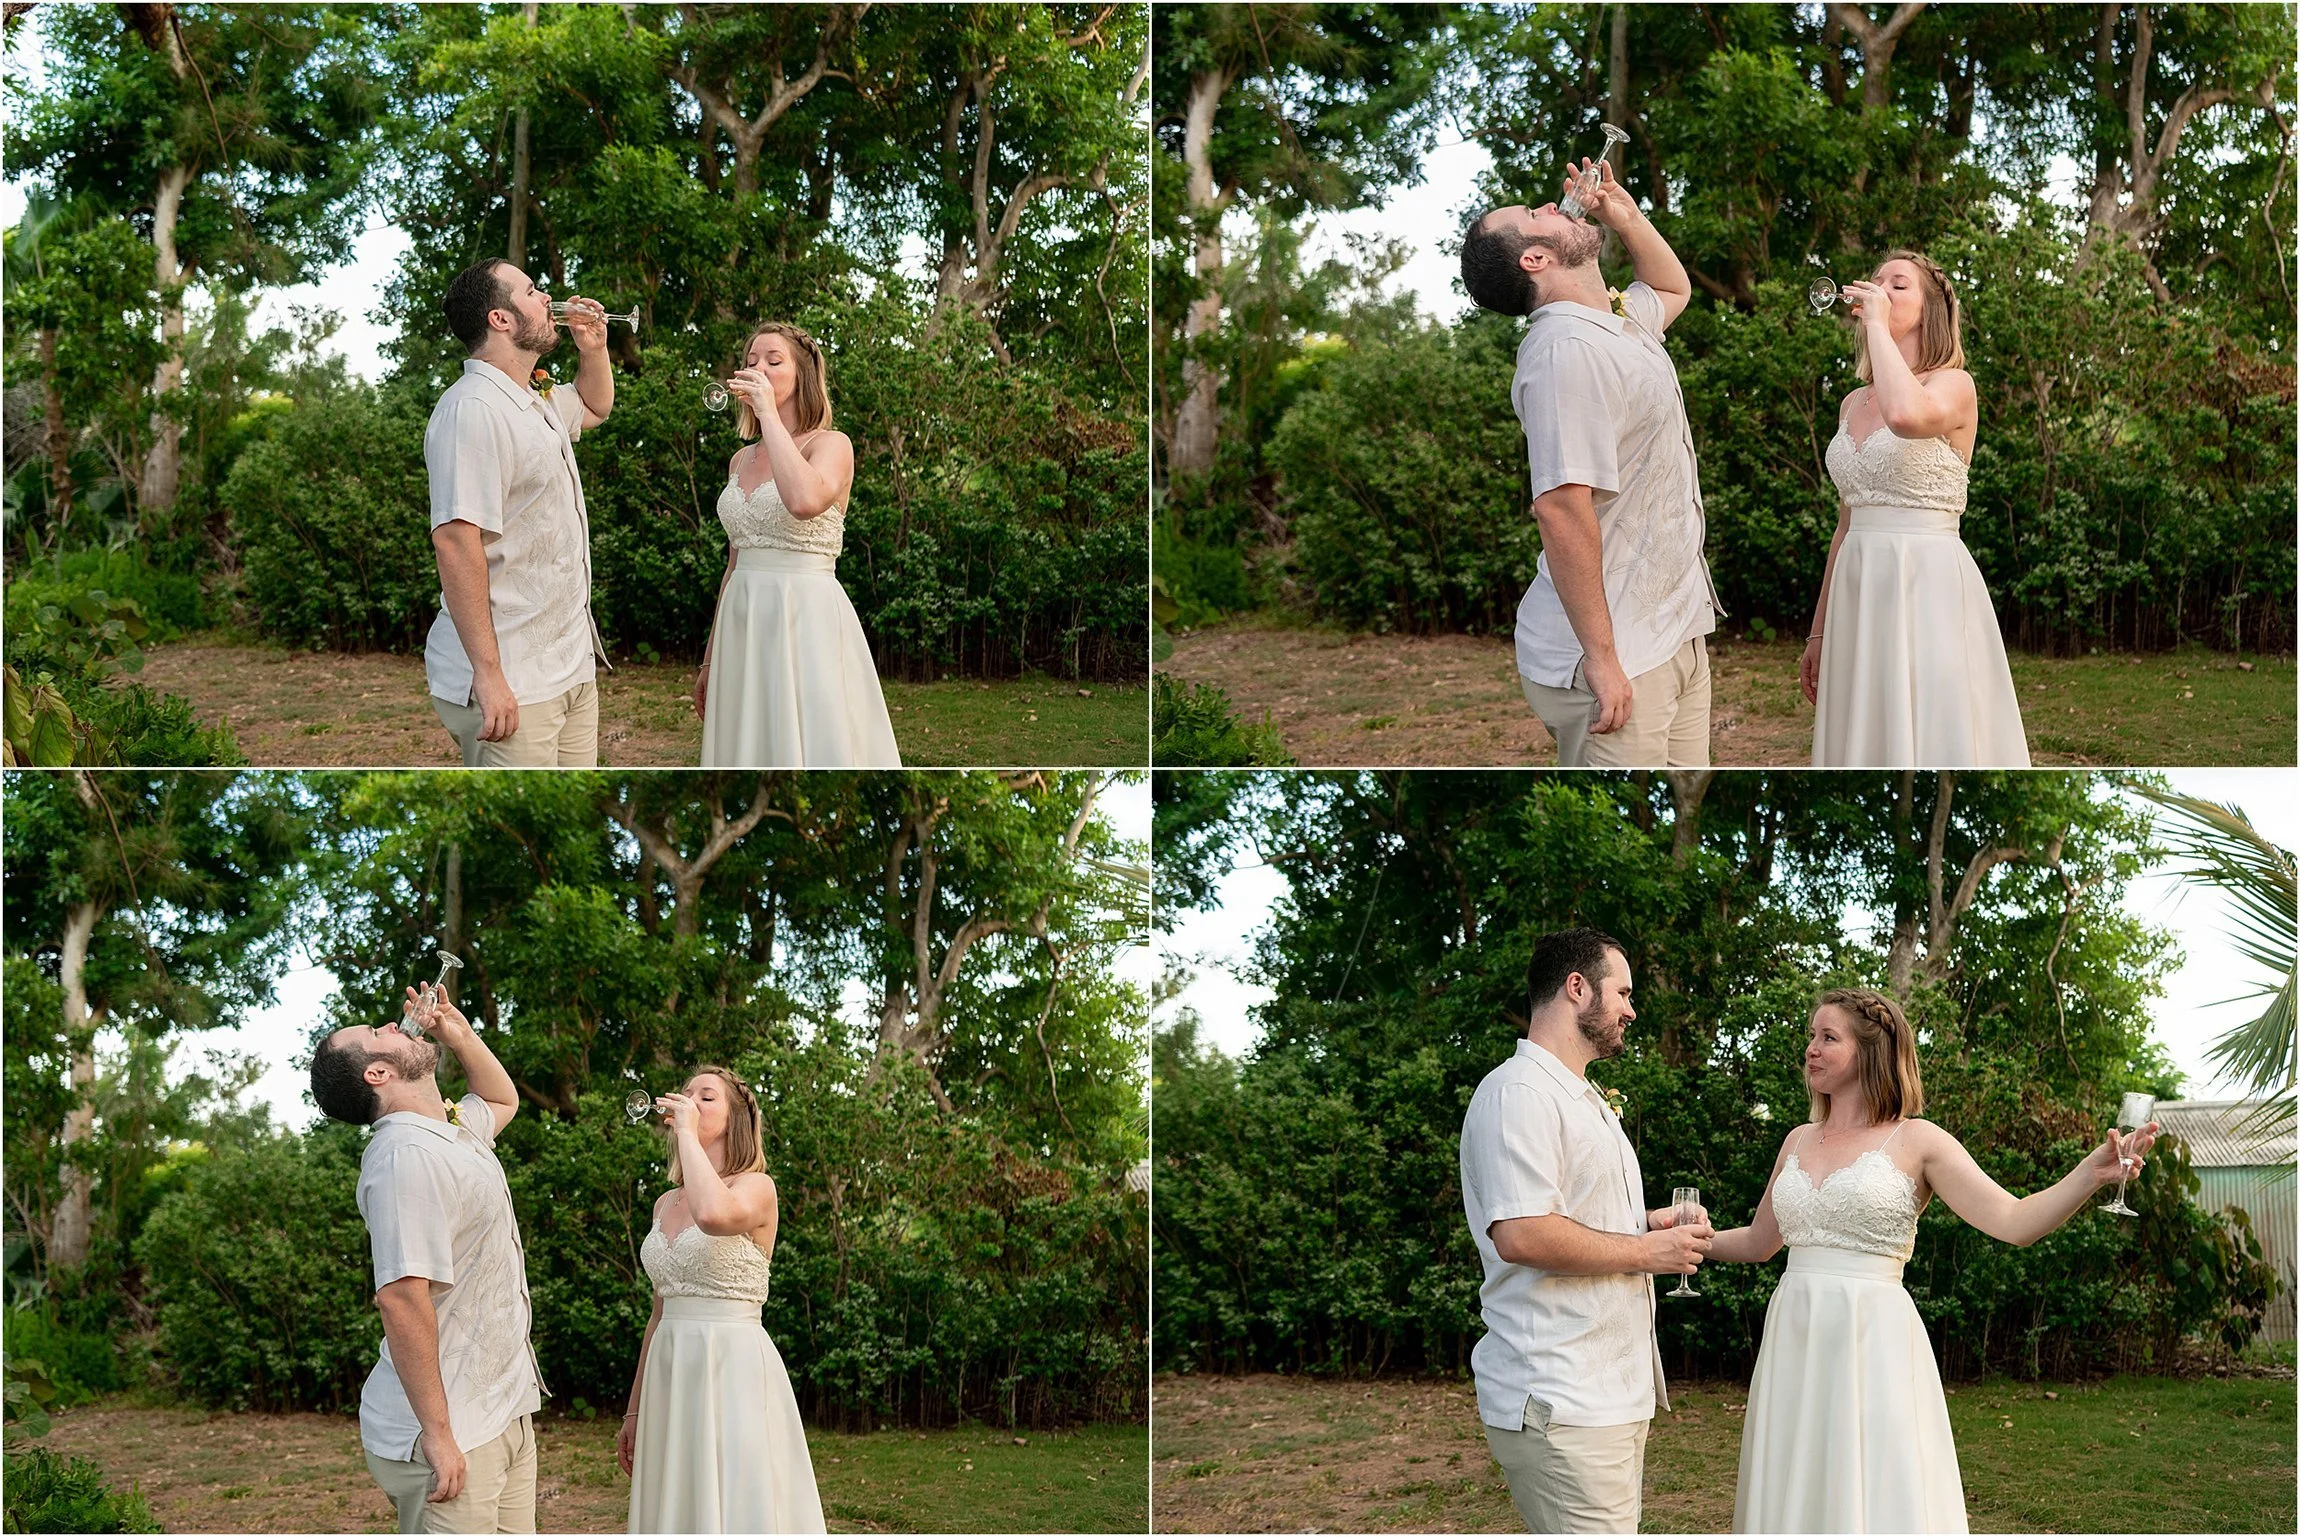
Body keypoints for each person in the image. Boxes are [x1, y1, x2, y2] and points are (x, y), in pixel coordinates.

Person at [1705, 988, 2159, 1533]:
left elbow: (2014, 1222)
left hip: (1872, 1342)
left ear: (1870, 1052)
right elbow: (1759, 1242)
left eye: (1828, 1037)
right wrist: (1681, 1242)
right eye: (1811, 1036)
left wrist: (2091, 1173)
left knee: (1876, 1494)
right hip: (1794, 1338)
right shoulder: (1798, 1140)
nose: (1812, 1049)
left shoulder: (1918, 1140)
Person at [1460, 159, 1721, 768]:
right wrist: (1602, 661)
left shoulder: (1613, 321)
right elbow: (1560, 508)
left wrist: (1628, 219)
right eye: (1534, 215)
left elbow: (1672, 291)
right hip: (1619, 653)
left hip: (1674, 631)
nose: (1552, 205)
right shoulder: (1565, 352)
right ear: (1534, 259)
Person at [1458, 927, 1713, 1533]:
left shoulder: (1581, 1097)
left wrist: (1647, 1223)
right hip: (1558, 1393)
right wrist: (1648, 1250)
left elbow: (1570, 1214)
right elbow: (1521, 1233)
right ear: (1577, 988)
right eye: (1622, 992)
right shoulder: (1519, 1094)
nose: (1631, 1008)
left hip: (1606, 1396)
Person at [309, 983, 547, 1534]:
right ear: (377, 1074)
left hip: (502, 1407)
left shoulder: (448, 1130)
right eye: (376, 1034)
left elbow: (501, 1102)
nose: (393, 1025)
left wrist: (461, 1037)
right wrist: (438, 1436)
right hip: (453, 1427)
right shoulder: (404, 1158)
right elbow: (401, 1298)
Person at [1801, 252, 2030, 766]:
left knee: (1929, 726)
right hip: (1858, 587)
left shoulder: (1954, 385)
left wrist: (1877, 324)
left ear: (1928, 311)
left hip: (1926, 584)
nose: (1879, 289)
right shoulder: (1852, 403)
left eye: (1897, 285)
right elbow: (1844, 524)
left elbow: (1905, 415)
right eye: (1876, 281)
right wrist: (1819, 630)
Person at [618, 1067, 826, 1534]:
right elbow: (658, 1312)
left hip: (732, 1369)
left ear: (733, 1121)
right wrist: (635, 1409)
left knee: (736, 1504)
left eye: (705, 1097)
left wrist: (687, 1132)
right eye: (686, 1093)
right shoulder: (664, 1204)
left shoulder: (756, 1187)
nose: (689, 1100)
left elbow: (712, 1214)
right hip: (670, 1372)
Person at [425, 259, 616, 767]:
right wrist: (488, 676)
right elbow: (455, 540)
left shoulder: (536, 396)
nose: (547, 299)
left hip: (570, 664)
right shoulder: (473, 409)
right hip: (514, 675)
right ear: (501, 319)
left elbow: (594, 408)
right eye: (532, 291)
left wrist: (592, 351)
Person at [696, 322, 899, 767]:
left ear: (802, 376)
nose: (758, 369)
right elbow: (733, 563)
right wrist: (710, 661)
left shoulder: (832, 445)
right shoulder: (739, 459)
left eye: (773, 361)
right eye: (751, 362)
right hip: (741, 618)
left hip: (804, 616)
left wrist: (768, 415)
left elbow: (804, 500)